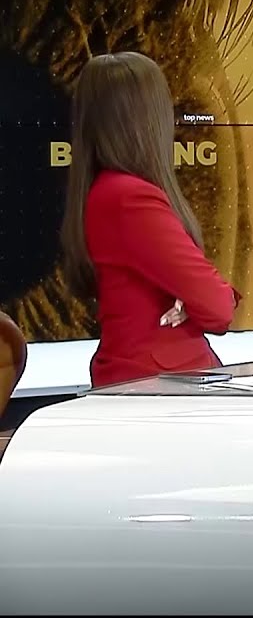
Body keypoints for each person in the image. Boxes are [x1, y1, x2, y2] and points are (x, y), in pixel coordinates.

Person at [59, 52, 241, 387]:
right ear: (149, 119)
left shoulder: (106, 192)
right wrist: (201, 300)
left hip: (152, 382)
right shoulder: (130, 199)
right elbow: (218, 308)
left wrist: (191, 298)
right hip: (159, 387)